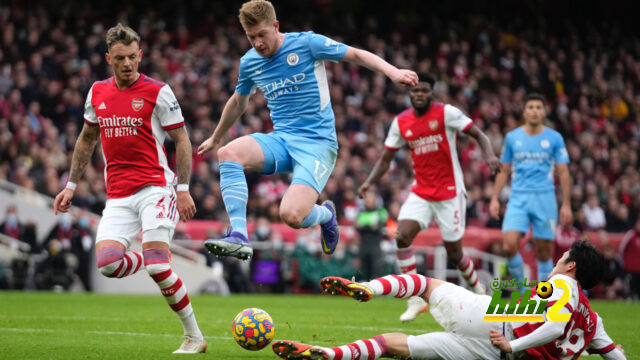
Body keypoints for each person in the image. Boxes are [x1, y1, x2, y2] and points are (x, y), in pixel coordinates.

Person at [197, 0, 418, 260]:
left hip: (318, 144)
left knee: (291, 215)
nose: (257, 43)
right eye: (250, 37)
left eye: (261, 35)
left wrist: (392, 72)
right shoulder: (250, 62)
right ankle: (239, 236)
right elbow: (238, 101)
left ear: (275, 26)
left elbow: (356, 54)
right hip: (281, 140)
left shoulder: (306, 44)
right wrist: (216, 136)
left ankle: (325, 215)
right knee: (228, 153)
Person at [52, 24, 205, 353]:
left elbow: (181, 139)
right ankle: (149, 259)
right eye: (120, 58)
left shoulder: (158, 91)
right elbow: (86, 139)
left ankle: (195, 336)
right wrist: (70, 186)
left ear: (140, 56)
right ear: (109, 58)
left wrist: (184, 187)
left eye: (133, 57)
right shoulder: (97, 92)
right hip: (118, 195)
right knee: (107, 264)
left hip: (156, 188)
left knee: (159, 267)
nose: (127, 64)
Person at [271, 241, 626, 360]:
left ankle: (369, 288)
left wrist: (515, 341)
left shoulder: (564, 284)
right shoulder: (594, 320)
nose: (557, 263)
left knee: (424, 283)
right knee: (401, 346)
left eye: (562, 258)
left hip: (498, 327)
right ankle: (332, 355)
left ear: (572, 266)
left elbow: (553, 324)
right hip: (496, 351)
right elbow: (615, 355)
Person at [357, 74, 501, 321]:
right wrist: (369, 182)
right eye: (415, 91)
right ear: (409, 94)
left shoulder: (446, 113)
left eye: (424, 90)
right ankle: (415, 300)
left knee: (454, 254)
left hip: (449, 193)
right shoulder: (401, 122)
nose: (419, 95)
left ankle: (478, 289)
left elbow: (478, 133)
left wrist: (488, 155)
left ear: (431, 93)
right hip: (421, 191)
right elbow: (386, 158)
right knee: (402, 236)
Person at [490, 93, 573, 290]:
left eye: (538, 107)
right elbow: (504, 169)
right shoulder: (512, 137)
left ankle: (542, 297)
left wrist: (567, 205)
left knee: (544, 252)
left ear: (544, 111)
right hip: (518, 197)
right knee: (509, 245)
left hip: (545, 197)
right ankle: (523, 291)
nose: (535, 111)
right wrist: (494, 198)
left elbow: (563, 171)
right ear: (524, 111)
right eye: (531, 107)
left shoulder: (554, 138)